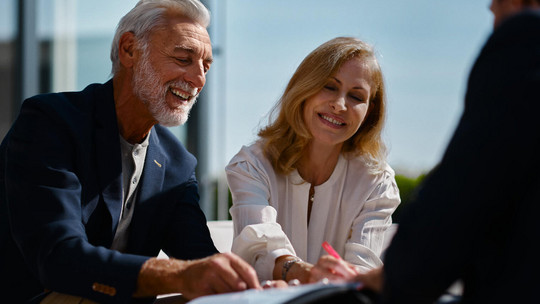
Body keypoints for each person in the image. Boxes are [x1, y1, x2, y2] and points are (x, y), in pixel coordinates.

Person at [0, 0, 261, 303]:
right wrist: (178, 276)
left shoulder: (177, 163)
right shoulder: (50, 122)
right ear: (129, 50)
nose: (198, 79)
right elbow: (58, 257)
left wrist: (259, 288)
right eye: (182, 58)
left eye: (205, 66)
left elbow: (200, 259)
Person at [356, 0, 540, 303]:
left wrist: (397, 276)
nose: (492, 12)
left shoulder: (526, 40)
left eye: (495, 4)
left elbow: (468, 187)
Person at [226, 37, 401, 284]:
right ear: (304, 88)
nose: (339, 105)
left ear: (369, 110)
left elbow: (362, 268)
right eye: (329, 86)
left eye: (356, 96)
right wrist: (305, 274)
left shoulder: (378, 183)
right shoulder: (251, 165)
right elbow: (257, 247)